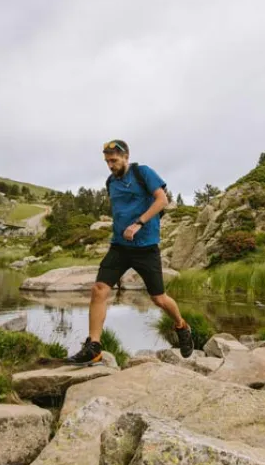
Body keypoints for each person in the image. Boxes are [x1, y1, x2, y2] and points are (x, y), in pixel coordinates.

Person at [66, 139, 193, 365]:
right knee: (99, 289)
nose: (110, 165)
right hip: (120, 247)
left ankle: (181, 326)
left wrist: (139, 223)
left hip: (146, 248)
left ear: (126, 156)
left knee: (159, 298)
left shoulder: (142, 172)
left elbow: (162, 200)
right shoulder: (110, 182)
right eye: (107, 161)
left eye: (114, 160)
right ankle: (93, 346)